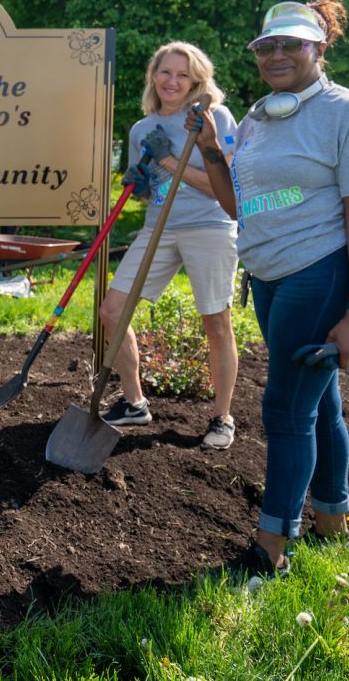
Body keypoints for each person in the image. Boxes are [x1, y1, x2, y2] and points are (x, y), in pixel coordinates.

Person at [190, 0, 349, 577]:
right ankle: (334, 525)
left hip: (320, 272)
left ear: (319, 49)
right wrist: (211, 148)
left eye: (292, 44)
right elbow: (242, 205)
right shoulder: (259, 118)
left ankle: (270, 552)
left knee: (284, 408)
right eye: (267, 46)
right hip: (268, 278)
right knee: (320, 402)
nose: (277, 54)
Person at [100, 42, 241, 450]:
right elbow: (149, 190)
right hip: (157, 228)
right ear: (153, 76)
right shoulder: (141, 129)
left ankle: (222, 417)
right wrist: (141, 181)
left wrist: (164, 161)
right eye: (165, 72)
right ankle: (134, 402)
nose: (172, 81)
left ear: (197, 80)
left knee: (216, 322)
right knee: (112, 311)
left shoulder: (211, 119)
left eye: (182, 75)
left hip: (209, 227)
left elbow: (224, 189)